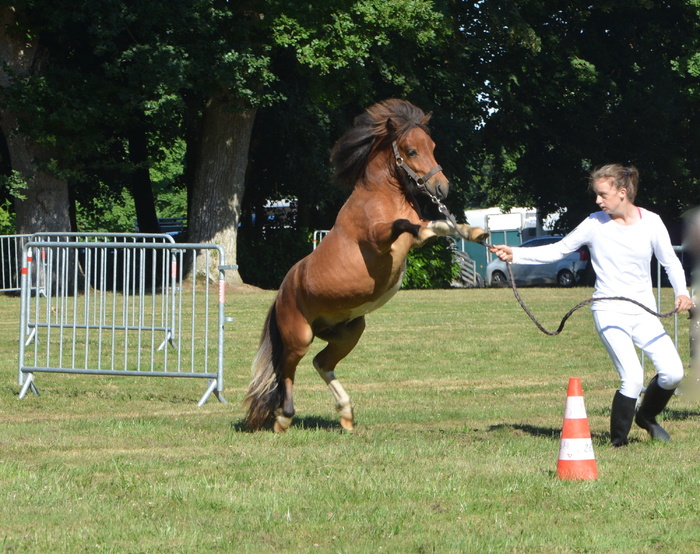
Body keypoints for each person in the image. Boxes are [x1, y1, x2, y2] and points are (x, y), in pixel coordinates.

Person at [490, 164, 693, 446]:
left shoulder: (652, 222)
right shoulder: (594, 223)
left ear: (622, 193)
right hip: (609, 311)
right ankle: (618, 445)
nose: (598, 200)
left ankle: (646, 417)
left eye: (603, 194)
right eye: (597, 195)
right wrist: (515, 254)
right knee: (632, 378)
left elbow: (670, 262)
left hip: (644, 311)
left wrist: (682, 293)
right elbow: (558, 250)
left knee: (674, 373)